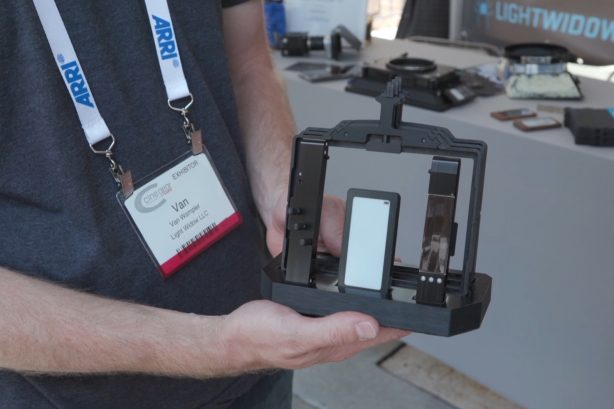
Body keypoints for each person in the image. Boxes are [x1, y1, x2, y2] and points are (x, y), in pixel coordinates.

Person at [0, 1, 407, 408]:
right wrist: (220, 346)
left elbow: (248, 60)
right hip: (68, 394)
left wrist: (286, 194)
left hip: (260, 354)